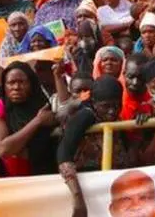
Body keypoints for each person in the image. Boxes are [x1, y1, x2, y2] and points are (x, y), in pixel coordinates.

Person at [58, 75, 135, 217]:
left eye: (116, 106)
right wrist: (78, 199)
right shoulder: (85, 117)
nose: (111, 111)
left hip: (114, 187)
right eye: (106, 106)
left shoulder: (116, 120)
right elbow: (64, 154)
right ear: (93, 102)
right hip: (88, 188)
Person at [0, 61, 58, 177]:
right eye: (11, 83)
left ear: (31, 84)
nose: (16, 87)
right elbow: (3, 149)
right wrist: (37, 121)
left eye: (21, 82)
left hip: (46, 175)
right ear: (4, 85)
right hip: (12, 179)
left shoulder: (43, 105)